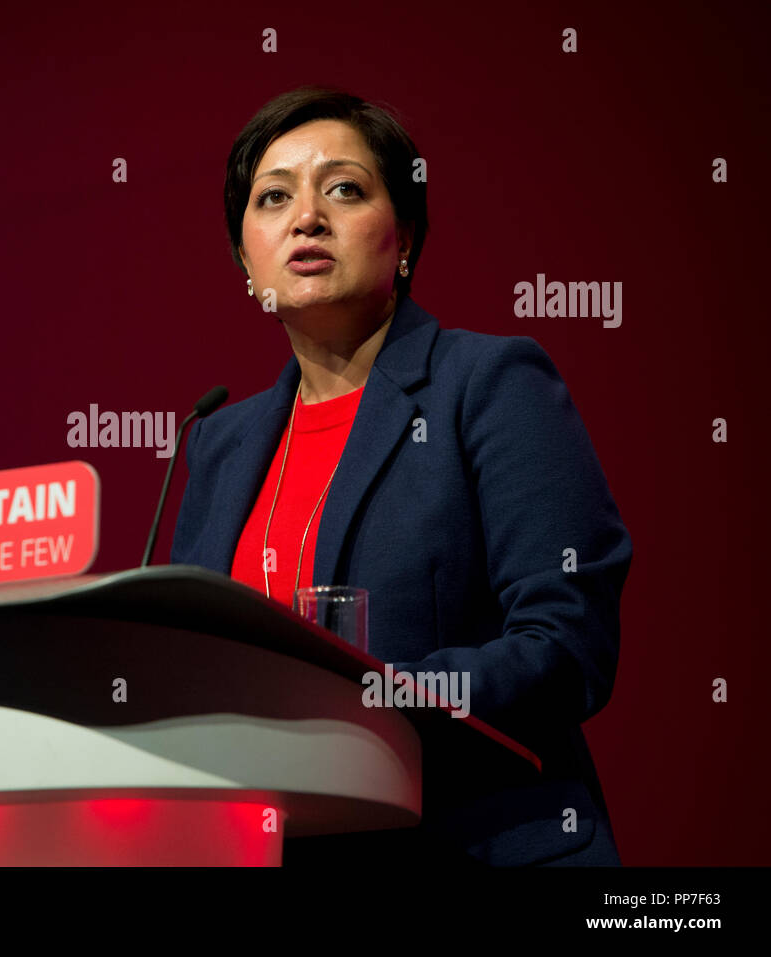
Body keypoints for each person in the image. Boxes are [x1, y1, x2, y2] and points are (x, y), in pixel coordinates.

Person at [169, 87, 632, 866]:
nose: (306, 217)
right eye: (273, 197)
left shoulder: (488, 384)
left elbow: (565, 645)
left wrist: (371, 700)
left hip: (470, 844)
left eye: (344, 188)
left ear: (405, 236)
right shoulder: (218, 441)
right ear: (246, 260)